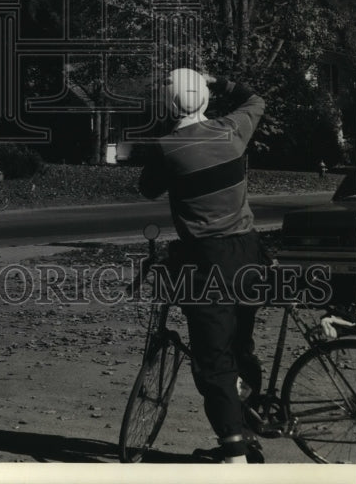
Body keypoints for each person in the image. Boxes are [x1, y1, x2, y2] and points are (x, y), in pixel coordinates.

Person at [138, 69, 267, 465]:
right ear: (205, 99)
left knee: (213, 360)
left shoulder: (167, 147)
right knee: (241, 344)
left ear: (168, 104)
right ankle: (248, 430)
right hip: (249, 253)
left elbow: (147, 188)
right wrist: (221, 82)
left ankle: (234, 455)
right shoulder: (233, 130)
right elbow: (256, 100)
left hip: (207, 262)